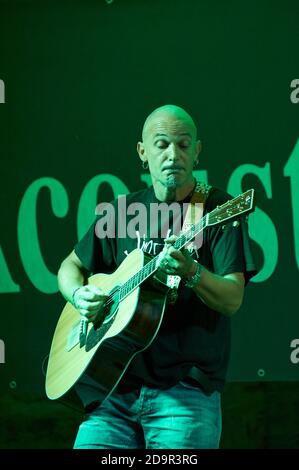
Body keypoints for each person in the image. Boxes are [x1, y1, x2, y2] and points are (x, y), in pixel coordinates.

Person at [57, 104, 257, 449]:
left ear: (197, 151)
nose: (172, 154)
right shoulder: (121, 210)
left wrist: (192, 271)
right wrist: (79, 295)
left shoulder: (217, 211)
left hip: (183, 397)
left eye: (183, 145)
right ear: (142, 152)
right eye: (162, 144)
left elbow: (232, 298)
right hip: (112, 392)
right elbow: (69, 267)